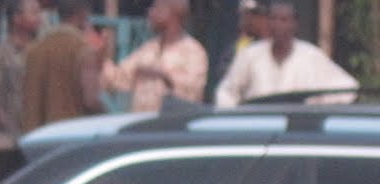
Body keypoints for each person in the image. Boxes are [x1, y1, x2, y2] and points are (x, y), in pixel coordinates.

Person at [214, 1, 357, 106]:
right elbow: (226, 92)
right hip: (258, 128)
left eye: (283, 20)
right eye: (273, 19)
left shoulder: (311, 55)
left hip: (297, 129)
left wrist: (318, 105)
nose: (277, 25)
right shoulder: (250, 55)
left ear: (294, 24)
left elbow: (348, 88)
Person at [100, 0, 208, 113]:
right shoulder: (148, 49)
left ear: (172, 14)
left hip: (174, 123)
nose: (150, 13)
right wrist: (100, 57)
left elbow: (193, 93)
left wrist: (162, 75)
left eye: (156, 8)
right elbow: (119, 78)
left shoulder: (193, 52)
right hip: (143, 122)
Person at [21, 0, 105, 131]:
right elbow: (91, 100)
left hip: (37, 135)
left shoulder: (34, 51)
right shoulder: (83, 50)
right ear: (82, 15)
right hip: (70, 134)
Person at [0, 0, 42, 137]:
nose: (40, 18)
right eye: (34, 13)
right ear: (17, 18)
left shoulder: (43, 52)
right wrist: (13, 131)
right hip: (10, 137)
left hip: (41, 133)